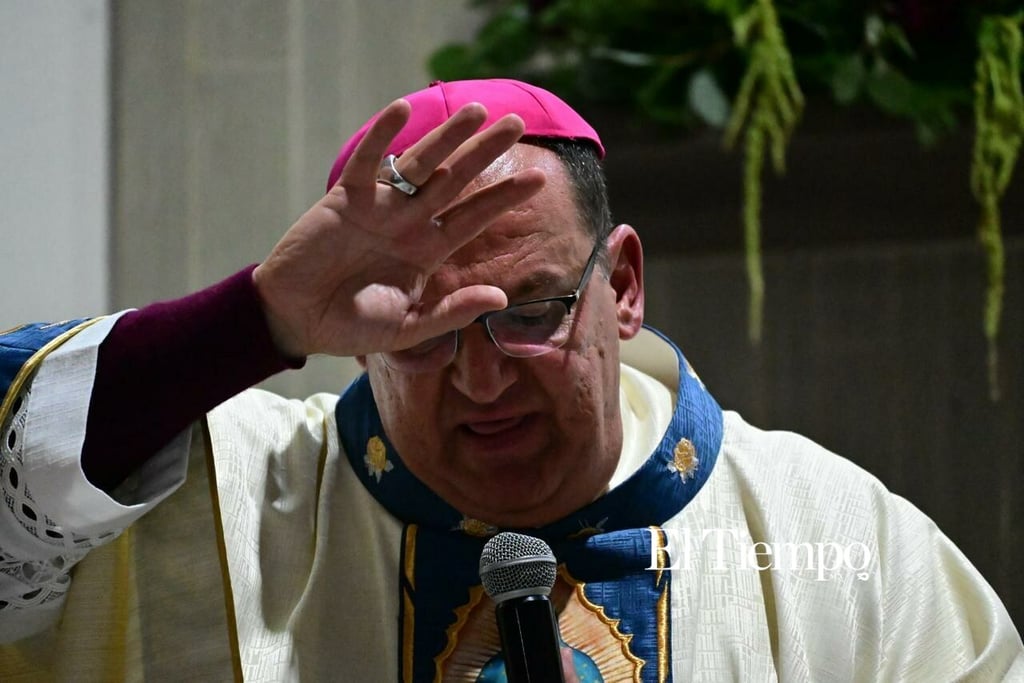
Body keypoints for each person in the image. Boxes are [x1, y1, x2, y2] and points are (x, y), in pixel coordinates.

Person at [0, 78, 1021, 682]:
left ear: (620, 285)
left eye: (525, 313)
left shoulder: (843, 541)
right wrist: (253, 321)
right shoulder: (221, 500)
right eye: (422, 328)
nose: (480, 381)